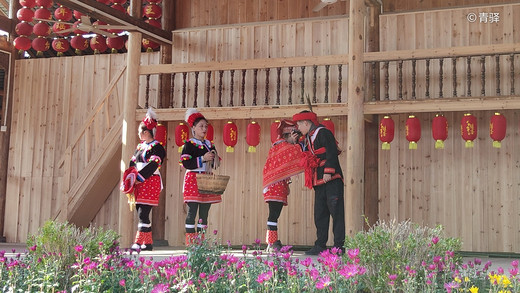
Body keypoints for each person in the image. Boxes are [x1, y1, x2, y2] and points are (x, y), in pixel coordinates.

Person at [292, 110, 345, 255]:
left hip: (331, 179)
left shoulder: (323, 133)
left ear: (306, 123)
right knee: (320, 214)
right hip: (319, 180)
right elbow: (307, 154)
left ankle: (338, 246)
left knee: (336, 212)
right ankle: (320, 244)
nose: (298, 128)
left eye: (298, 124)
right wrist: (297, 141)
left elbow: (332, 152)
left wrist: (329, 170)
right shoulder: (308, 137)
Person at [121, 108, 166, 252]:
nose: (138, 133)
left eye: (140, 131)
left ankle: (138, 242)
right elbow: (132, 162)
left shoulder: (158, 148)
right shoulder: (140, 146)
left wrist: (139, 177)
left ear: (146, 132)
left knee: (143, 213)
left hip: (150, 181)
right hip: (139, 181)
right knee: (140, 210)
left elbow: (154, 165)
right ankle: (148, 243)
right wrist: (130, 177)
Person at [179, 108, 221, 245]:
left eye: (206, 126)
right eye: (201, 126)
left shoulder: (210, 144)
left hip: (207, 178)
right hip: (193, 178)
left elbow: (215, 163)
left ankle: (201, 243)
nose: (204, 129)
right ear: (194, 128)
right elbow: (186, 162)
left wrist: (214, 159)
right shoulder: (189, 144)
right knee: (192, 211)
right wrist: (202, 158)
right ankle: (191, 243)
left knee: (204, 213)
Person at [262, 120, 304, 251]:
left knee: (273, 214)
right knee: (273, 215)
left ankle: (271, 242)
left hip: (274, 184)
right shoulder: (283, 146)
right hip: (276, 184)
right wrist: (296, 143)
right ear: (288, 135)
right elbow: (298, 152)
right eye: (294, 135)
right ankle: (272, 242)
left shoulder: (277, 146)